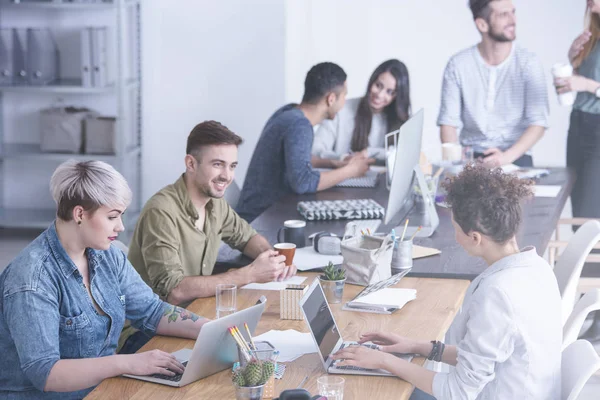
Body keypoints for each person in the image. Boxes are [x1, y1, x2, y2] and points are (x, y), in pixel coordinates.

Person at [331, 164, 562, 400]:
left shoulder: (497, 293)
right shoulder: (537, 267)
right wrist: (420, 347)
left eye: (455, 228)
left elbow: (457, 391)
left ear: (475, 238)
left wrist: (383, 360)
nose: (454, 235)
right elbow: (487, 355)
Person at [0, 160, 209, 399]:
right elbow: (46, 372)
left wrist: (211, 329)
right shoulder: (32, 278)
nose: (120, 226)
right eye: (112, 216)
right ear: (79, 214)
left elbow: (151, 310)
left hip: (103, 390)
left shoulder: (108, 255)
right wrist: (127, 363)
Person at [122, 121, 296, 352]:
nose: (227, 175)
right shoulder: (161, 211)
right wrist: (251, 273)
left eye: (232, 166)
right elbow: (174, 291)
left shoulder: (215, 204)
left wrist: (273, 259)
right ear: (191, 163)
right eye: (218, 164)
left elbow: (247, 237)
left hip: (195, 316)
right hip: (148, 333)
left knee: (267, 344)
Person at [236, 62, 372, 222]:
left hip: (259, 214)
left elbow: (296, 159)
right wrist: (351, 171)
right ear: (331, 99)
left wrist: (334, 163)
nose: (344, 102)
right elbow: (302, 182)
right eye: (344, 96)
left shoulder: (288, 112)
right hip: (260, 220)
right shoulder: (299, 126)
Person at [437, 0, 549, 168]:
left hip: (515, 156)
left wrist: (505, 158)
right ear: (482, 24)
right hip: (471, 157)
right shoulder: (458, 64)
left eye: (513, 12)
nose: (513, 20)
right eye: (504, 15)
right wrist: (456, 163)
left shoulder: (529, 64)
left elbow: (538, 122)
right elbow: (448, 122)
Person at [554, 0, 600, 341]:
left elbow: (589, 86)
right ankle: (590, 308)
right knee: (582, 214)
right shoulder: (592, 35)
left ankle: (596, 314)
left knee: (592, 222)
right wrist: (572, 62)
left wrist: (585, 84)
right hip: (579, 125)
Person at [312, 59, 411, 164]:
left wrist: (369, 153)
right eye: (378, 85)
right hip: (343, 177)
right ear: (372, 81)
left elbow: (405, 155)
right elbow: (316, 149)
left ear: (398, 96)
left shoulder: (402, 121)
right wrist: (342, 158)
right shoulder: (341, 109)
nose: (380, 95)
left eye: (390, 92)